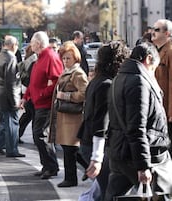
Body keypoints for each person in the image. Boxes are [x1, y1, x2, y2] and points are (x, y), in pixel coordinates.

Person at [105, 42, 172, 201]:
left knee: (115, 194)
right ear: (149, 59)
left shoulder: (119, 78)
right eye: (154, 68)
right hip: (143, 154)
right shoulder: (139, 82)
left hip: (120, 150)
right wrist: (143, 166)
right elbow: (136, 127)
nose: (153, 73)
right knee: (162, 195)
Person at [80, 41, 129, 200]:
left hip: (89, 142)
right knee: (107, 191)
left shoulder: (97, 81)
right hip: (96, 145)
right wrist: (97, 157)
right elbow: (101, 122)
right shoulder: (107, 85)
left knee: (101, 190)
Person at [21, 31, 61, 179]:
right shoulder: (39, 58)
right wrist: (26, 97)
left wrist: (42, 93)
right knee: (37, 135)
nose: (30, 45)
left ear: (38, 43)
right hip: (37, 103)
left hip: (46, 103)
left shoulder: (50, 56)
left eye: (32, 42)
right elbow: (33, 82)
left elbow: (57, 81)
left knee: (41, 135)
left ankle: (51, 167)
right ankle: (47, 166)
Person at [49, 41, 89, 187]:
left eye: (68, 58)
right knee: (70, 148)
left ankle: (71, 178)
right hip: (66, 115)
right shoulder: (67, 71)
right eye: (64, 58)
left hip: (73, 116)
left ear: (75, 58)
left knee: (69, 148)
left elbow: (84, 93)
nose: (65, 61)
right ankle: (89, 170)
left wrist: (66, 96)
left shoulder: (77, 73)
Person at [0, 36, 25, 157]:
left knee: (5, 122)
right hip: (8, 95)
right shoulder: (11, 58)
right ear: (13, 45)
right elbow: (11, 82)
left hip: (0, 94)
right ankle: (12, 149)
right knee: (12, 123)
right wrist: (15, 100)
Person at [152, 19, 172, 154]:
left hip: (167, 112)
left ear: (167, 33)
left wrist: (171, 113)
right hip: (159, 110)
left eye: (157, 29)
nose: (153, 32)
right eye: (153, 28)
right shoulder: (157, 52)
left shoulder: (170, 52)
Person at [18, 44, 37, 144]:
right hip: (30, 92)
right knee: (33, 115)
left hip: (25, 91)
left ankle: (17, 134)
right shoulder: (34, 60)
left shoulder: (27, 59)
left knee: (28, 115)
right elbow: (32, 78)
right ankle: (36, 137)